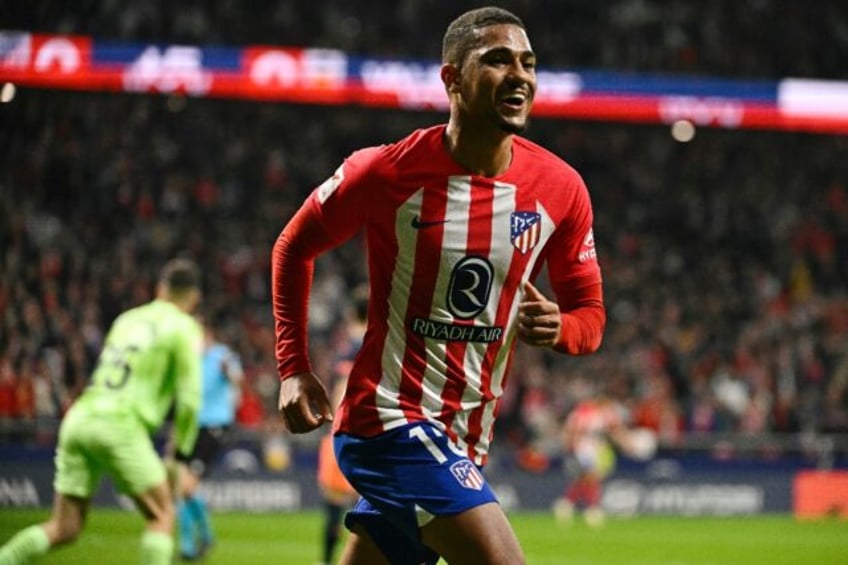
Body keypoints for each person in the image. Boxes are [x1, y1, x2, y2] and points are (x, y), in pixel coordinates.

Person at [272, 6, 605, 564]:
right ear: (451, 78)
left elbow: (590, 317)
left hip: (466, 436)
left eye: (528, 63)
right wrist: (293, 367)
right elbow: (293, 246)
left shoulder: (561, 189)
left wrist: (562, 327)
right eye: (498, 60)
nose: (520, 75)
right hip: (390, 420)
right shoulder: (383, 173)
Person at [0, 258, 204, 565]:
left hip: (80, 418)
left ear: (160, 288)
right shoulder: (184, 327)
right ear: (194, 297)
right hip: (120, 424)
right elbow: (189, 398)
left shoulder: (126, 320)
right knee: (162, 513)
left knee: (64, 527)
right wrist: (181, 455)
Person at [176, 316, 243, 561]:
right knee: (182, 488)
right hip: (189, 427)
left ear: (207, 334)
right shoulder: (189, 358)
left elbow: (237, 380)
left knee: (186, 487)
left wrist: (227, 372)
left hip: (212, 427)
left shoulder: (221, 355)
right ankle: (195, 540)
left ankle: (196, 539)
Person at [316, 286, 367, 565]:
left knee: (335, 503)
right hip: (378, 433)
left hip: (347, 433)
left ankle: (328, 560)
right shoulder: (382, 344)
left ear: (350, 314)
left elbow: (341, 393)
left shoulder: (349, 350)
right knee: (372, 506)